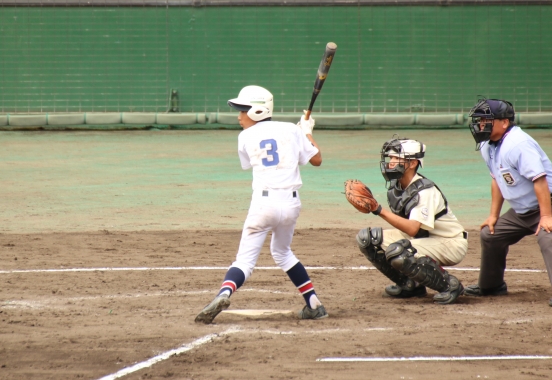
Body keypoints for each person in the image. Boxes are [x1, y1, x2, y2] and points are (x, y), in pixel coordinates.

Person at [195, 86, 327, 324]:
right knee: (282, 253)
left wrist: (299, 132)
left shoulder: (245, 137)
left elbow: (253, 159)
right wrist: (306, 131)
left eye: (242, 110)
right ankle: (313, 303)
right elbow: (316, 159)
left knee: (245, 261)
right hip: (291, 205)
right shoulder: (291, 129)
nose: (239, 116)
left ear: (256, 111)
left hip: (263, 205)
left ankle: (224, 294)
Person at [350, 136, 467, 305]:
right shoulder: (397, 186)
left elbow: (412, 229)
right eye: (390, 158)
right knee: (368, 239)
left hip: (449, 242)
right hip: (424, 238)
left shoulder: (424, 191)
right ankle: (410, 285)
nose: (391, 162)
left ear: (412, 163)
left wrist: (378, 210)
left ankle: (450, 285)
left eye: (396, 158)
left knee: (399, 251)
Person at [465, 98, 552, 307]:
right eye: (479, 121)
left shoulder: (518, 144)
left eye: (486, 120)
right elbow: (497, 179)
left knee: (548, 238)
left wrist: (546, 216)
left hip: (547, 204)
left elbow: (540, 181)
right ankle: (492, 285)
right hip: (521, 211)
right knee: (490, 234)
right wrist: (493, 215)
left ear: (504, 122)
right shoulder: (487, 145)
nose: (481, 125)